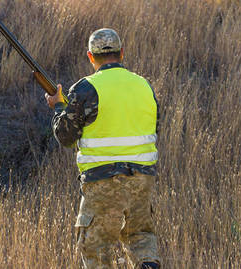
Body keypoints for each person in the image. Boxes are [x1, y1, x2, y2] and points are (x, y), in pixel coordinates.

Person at [45, 28, 160, 269]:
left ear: (90, 56)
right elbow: (154, 125)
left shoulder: (85, 88)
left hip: (102, 182)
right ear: (122, 53)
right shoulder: (144, 86)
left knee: (97, 250)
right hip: (142, 179)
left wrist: (57, 107)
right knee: (141, 240)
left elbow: (66, 137)